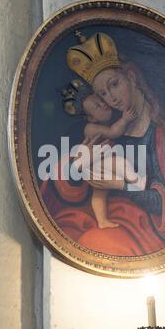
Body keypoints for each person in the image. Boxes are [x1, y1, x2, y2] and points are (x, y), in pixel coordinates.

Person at [41, 31, 165, 256]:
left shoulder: (164, 135)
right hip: (114, 219)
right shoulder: (112, 131)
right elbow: (70, 185)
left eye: (114, 84)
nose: (111, 98)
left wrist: (121, 186)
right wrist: (77, 163)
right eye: (102, 93)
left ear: (131, 76)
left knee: (98, 243)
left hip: (145, 227)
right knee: (85, 239)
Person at [61, 79, 145, 229]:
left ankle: (102, 221)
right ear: (91, 117)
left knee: (100, 193)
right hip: (96, 161)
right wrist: (125, 120)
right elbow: (113, 132)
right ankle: (138, 182)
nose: (103, 104)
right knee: (122, 164)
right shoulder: (91, 128)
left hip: (97, 164)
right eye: (97, 106)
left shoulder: (101, 122)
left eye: (101, 100)